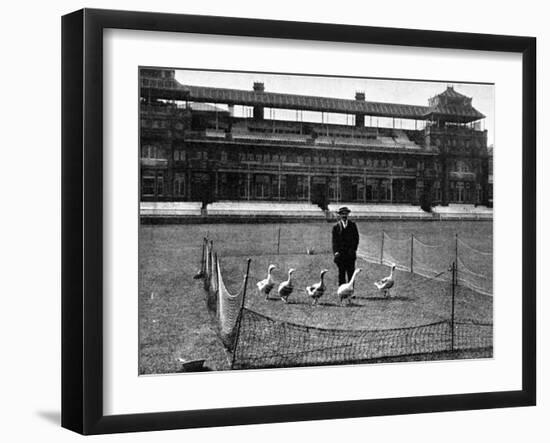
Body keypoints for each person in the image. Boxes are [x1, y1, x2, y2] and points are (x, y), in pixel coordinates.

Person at [332, 206, 360, 286]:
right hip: (341, 254)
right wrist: (336, 252)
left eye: (345, 214)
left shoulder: (352, 225)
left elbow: (356, 239)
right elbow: (334, 241)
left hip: (350, 254)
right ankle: (342, 291)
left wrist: (353, 249)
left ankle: (351, 291)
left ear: (348, 214)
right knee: (341, 273)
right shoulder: (336, 227)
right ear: (340, 215)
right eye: (342, 214)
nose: (344, 216)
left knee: (351, 273)